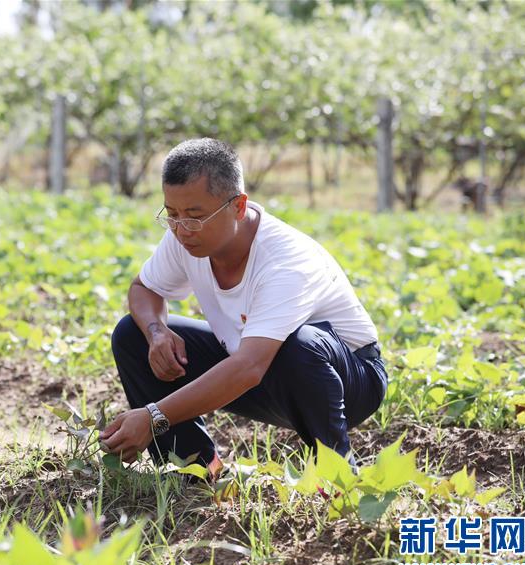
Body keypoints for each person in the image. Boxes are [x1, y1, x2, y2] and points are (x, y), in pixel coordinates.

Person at [100, 138, 387, 481]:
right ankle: (193, 470)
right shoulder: (186, 235)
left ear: (238, 206)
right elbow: (143, 288)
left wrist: (153, 416)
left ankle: (338, 478)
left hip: (346, 379)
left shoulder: (285, 261)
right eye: (171, 214)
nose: (180, 229)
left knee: (299, 346)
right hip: (253, 365)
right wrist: (157, 332)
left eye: (194, 216)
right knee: (133, 334)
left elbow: (250, 367)